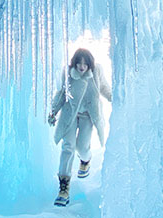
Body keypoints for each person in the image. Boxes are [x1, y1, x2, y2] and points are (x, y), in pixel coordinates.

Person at [47, 48, 112, 207]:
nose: (82, 66)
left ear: (90, 64)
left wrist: (115, 98)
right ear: (74, 63)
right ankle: (64, 188)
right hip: (70, 114)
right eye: (79, 63)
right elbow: (62, 93)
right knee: (68, 147)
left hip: (88, 115)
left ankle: (86, 159)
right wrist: (53, 111)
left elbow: (103, 88)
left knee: (82, 146)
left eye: (85, 63)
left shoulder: (96, 72)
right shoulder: (68, 73)